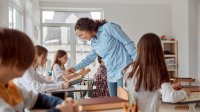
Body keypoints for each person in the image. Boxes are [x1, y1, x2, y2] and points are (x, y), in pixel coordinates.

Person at [0, 28, 79, 112]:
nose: (28, 61)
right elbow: (37, 88)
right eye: (24, 56)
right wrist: (59, 110)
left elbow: (37, 99)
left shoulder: (10, 87)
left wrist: (63, 103)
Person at [67, 17, 137, 96]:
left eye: (81, 34)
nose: (82, 38)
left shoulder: (108, 28)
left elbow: (128, 43)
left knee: (122, 100)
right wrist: (75, 68)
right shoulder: (94, 42)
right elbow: (89, 58)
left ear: (86, 28)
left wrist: (136, 63)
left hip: (124, 69)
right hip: (111, 73)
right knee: (113, 102)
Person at [123, 33, 189, 112]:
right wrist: (185, 92)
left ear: (139, 49)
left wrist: (169, 87)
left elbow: (144, 90)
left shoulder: (130, 69)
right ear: (158, 51)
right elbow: (170, 97)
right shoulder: (157, 70)